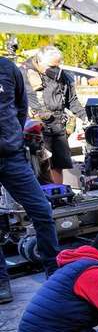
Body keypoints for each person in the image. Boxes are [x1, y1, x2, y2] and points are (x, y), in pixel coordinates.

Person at [0, 57, 59, 303]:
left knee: (42, 210)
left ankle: (54, 272)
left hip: (11, 156)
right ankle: (2, 283)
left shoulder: (7, 68)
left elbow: (21, 107)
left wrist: (12, 136)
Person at [20, 46, 87, 185]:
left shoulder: (63, 77)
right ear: (39, 62)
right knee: (38, 166)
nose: (56, 70)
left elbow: (72, 101)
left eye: (58, 65)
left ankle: (58, 195)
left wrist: (85, 117)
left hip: (58, 127)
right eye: (52, 66)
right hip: (34, 129)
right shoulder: (23, 74)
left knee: (58, 164)